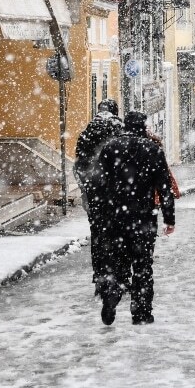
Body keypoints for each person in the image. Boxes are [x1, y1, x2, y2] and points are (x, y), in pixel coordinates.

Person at [94, 111, 176, 326]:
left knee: (115, 261)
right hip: (143, 218)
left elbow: (98, 184)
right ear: (143, 126)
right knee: (142, 266)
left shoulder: (110, 148)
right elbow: (164, 187)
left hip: (115, 217)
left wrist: (101, 213)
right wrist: (169, 218)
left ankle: (111, 293)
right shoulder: (153, 150)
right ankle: (141, 311)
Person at [74, 98, 124, 297]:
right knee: (119, 234)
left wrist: (86, 189)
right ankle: (119, 277)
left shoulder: (87, 131)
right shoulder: (120, 128)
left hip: (95, 193)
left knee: (98, 234)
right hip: (118, 193)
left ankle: (100, 276)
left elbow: (79, 164)